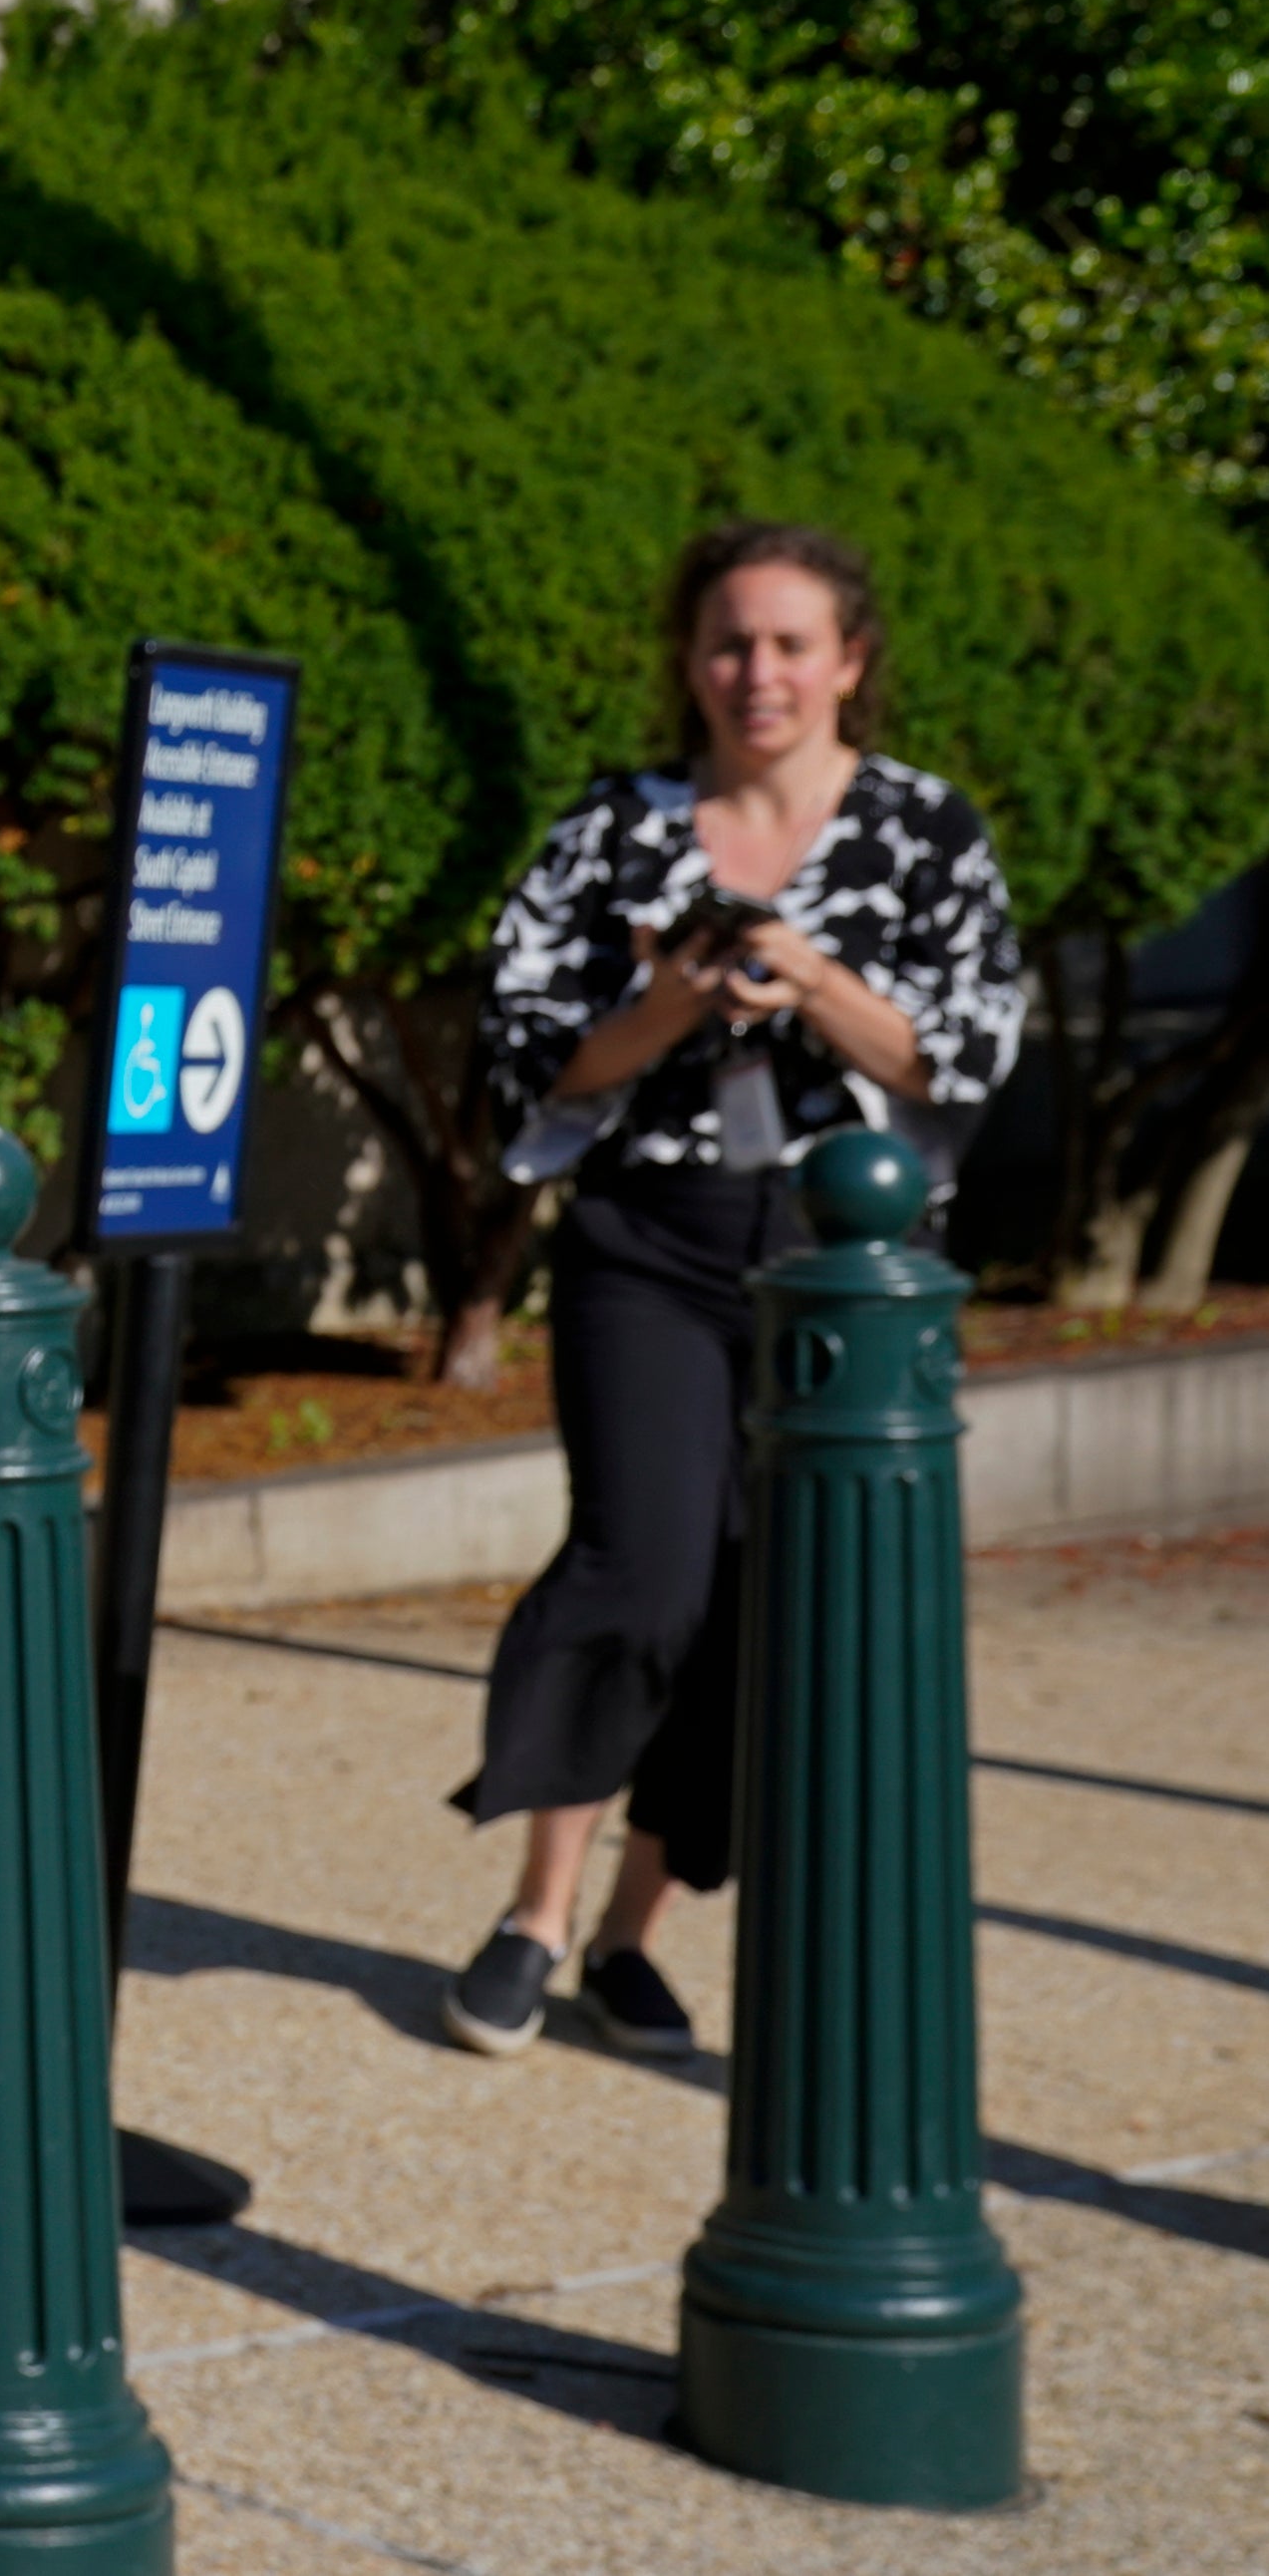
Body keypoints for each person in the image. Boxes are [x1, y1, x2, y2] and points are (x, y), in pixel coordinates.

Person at [443, 521, 1023, 2061]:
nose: (755, 672)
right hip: (651, 1231)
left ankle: (637, 1927)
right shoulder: (613, 831)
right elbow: (528, 1060)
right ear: (688, 662)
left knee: (762, 1603)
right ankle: (533, 1913)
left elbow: (958, 1061)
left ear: (848, 660)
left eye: (787, 643)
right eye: (726, 642)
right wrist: (670, 1000)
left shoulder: (924, 829)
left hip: (844, 1266)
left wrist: (811, 974)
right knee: (642, 1568)